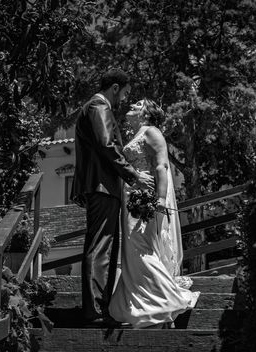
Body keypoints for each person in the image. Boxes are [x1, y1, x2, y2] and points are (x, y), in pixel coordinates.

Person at [70, 69, 155, 325]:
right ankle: (95, 311)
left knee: (103, 246)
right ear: (115, 87)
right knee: (101, 247)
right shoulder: (99, 106)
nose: (124, 99)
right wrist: (133, 175)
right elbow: (107, 145)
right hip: (102, 186)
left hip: (102, 187)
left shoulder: (94, 107)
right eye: (125, 92)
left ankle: (100, 307)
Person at [108, 98, 200, 328]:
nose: (132, 105)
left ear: (146, 114)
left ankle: (165, 300)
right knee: (132, 250)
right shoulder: (138, 134)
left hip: (143, 200)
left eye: (138, 104)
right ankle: (140, 301)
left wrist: (159, 198)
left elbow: (162, 166)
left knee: (141, 248)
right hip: (131, 197)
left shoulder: (152, 132)